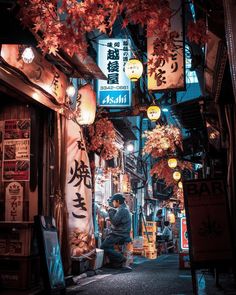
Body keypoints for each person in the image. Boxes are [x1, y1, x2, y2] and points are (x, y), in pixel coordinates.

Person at [101, 193, 131, 268]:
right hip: (120, 233)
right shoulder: (123, 208)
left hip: (120, 234)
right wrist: (111, 210)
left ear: (117, 201)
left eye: (113, 201)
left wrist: (110, 210)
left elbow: (114, 221)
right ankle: (115, 263)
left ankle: (121, 258)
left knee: (103, 247)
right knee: (109, 245)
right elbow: (117, 217)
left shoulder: (122, 210)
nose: (113, 203)